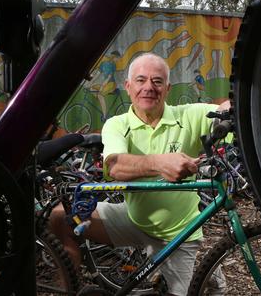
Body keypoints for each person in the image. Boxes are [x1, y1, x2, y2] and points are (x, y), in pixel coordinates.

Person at [49, 53, 229, 295]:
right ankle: (68, 289)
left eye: (157, 81)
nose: (148, 88)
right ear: (128, 86)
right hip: (134, 220)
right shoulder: (117, 124)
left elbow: (222, 110)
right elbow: (114, 167)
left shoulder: (189, 115)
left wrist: (231, 107)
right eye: (141, 80)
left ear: (167, 88)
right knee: (59, 216)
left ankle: (209, 273)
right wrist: (160, 163)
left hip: (177, 234)